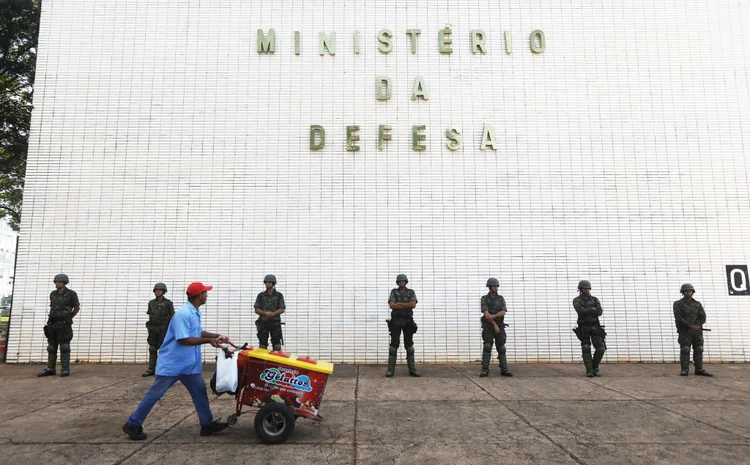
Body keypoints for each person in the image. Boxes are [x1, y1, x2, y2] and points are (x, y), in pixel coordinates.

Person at [122, 282, 231, 440]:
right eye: (205, 292)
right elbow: (183, 339)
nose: (207, 295)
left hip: (189, 365)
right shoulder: (183, 313)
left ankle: (207, 425)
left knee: (200, 392)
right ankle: (132, 424)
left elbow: (197, 332)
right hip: (173, 364)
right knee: (155, 394)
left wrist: (215, 336)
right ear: (199, 295)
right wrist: (208, 341)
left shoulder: (194, 312)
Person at [37, 274, 80, 378]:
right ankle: (51, 369)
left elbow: (76, 308)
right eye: (56, 282)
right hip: (53, 324)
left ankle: (65, 369)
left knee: (64, 347)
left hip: (64, 325)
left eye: (59, 282)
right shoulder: (53, 294)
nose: (57, 283)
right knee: (51, 347)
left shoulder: (71, 294)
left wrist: (68, 318)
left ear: (64, 283)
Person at [673, 283, 713, 377]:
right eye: (686, 291)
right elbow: (678, 318)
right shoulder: (678, 304)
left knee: (699, 349)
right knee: (685, 349)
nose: (688, 293)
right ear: (683, 293)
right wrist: (690, 326)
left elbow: (703, 317)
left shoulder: (697, 304)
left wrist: (697, 326)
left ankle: (699, 369)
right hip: (685, 331)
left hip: (697, 332)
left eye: (690, 291)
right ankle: (684, 370)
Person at [386, 274, 420, 377]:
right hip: (396, 321)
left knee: (409, 346)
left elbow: (413, 305)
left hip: (407, 321)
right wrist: (405, 305)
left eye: (403, 281)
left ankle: (412, 369)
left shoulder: (411, 292)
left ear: (406, 282)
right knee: (393, 346)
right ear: (397, 282)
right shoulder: (394, 291)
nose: (401, 283)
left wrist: (399, 304)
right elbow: (391, 305)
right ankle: (390, 370)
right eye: (400, 281)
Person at [572, 280, 606, 377]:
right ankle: (589, 370)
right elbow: (580, 311)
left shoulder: (595, 299)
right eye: (585, 288)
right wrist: (592, 309)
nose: (587, 290)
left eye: (588, 288)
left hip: (595, 326)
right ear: (581, 289)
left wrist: (588, 309)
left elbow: (599, 312)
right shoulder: (577, 300)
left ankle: (595, 367)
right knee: (586, 348)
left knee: (601, 348)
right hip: (584, 327)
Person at [480, 278, 513, 377]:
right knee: (487, 346)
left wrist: (494, 317)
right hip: (488, 326)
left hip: (500, 325)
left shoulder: (500, 298)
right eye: (494, 286)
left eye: (497, 286)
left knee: (501, 348)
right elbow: (486, 314)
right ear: (490, 287)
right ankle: (485, 369)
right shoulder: (484, 298)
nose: (496, 288)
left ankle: (504, 369)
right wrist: (494, 324)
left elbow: (503, 311)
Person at [142, 283, 175, 376]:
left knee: (164, 349)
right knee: (152, 349)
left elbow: (172, 317)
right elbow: (151, 316)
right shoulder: (151, 303)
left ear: (163, 292)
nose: (157, 292)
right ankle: (151, 369)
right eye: (156, 290)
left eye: (160, 290)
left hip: (164, 329)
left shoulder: (168, 303)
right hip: (153, 328)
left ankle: (164, 369)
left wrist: (172, 330)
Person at [254, 274, 286, 351]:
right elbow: (256, 309)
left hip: (275, 324)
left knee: (277, 346)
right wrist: (265, 313)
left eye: (269, 282)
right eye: (266, 282)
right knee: (262, 346)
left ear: (273, 283)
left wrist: (272, 314)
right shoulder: (261, 295)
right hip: (263, 323)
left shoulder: (279, 295)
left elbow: (282, 309)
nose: (267, 284)